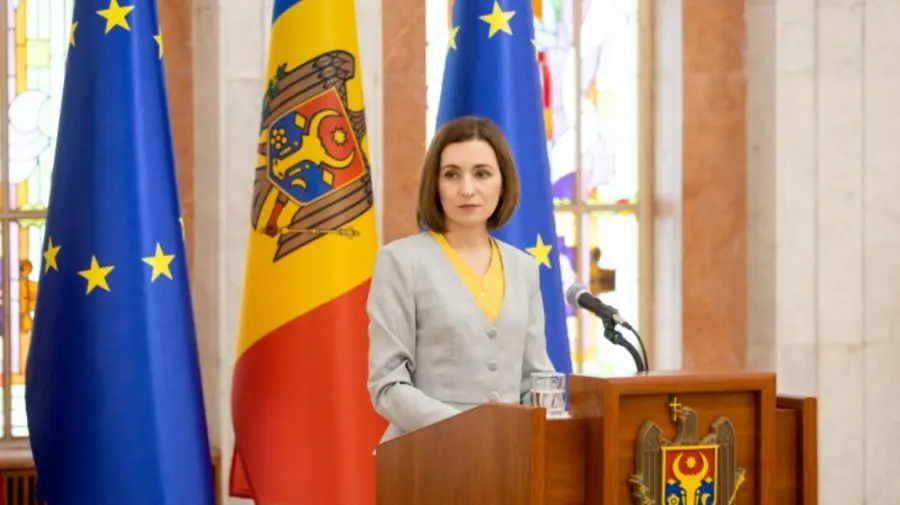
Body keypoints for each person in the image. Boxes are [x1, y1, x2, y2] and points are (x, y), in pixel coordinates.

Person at [366, 115, 556, 443]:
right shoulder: (400, 261)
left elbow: (536, 378)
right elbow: (388, 385)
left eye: (482, 173)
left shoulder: (523, 267)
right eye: (452, 174)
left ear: (503, 182)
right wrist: (470, 432)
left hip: (511, 456)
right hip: (426, 454)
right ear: (435, 184)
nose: (467, 189)